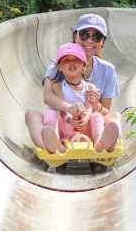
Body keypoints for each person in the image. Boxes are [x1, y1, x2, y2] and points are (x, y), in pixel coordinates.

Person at [26, 13, 122, 153]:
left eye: (96, 36)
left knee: (114, 118)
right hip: (64, 121)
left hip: (91, 123)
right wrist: (71, 109)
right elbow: (48, 97)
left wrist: (88, 111)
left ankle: (103, 143)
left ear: (102, 42)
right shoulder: (57, 64)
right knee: (32, 115)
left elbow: (104, 110)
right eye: (84, 35)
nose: (89, 40)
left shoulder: (107, 70)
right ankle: (51, 144)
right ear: (75, 36)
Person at [40, 42, 118, 153]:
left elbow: (89, 108)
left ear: (83, 66)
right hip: (67, 127)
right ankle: (56, 144)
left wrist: (85, 119)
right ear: (60, 67)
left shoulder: (90, 87)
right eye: (66, 60)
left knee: (96, 116)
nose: (71, 63)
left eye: (76, 60)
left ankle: (99, 144)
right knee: (51, 113)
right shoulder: (58, 87)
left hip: (85, 128)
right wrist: (70, 118)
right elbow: (61, 106)